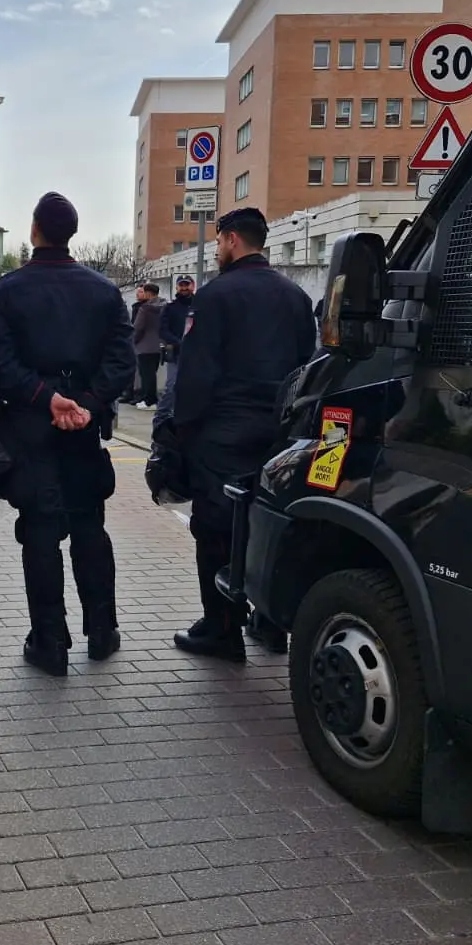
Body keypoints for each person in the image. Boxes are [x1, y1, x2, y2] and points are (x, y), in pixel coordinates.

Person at [0, 192, 136, 676]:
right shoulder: (104, 291)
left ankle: (50, 642)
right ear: (71, 232)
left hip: (30, 428)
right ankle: (102, 632)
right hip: (84, 432)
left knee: (41, 535)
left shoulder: (10, 289)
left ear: (34, 231)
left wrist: (45, 398)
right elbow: (121, 363)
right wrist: (86, 404)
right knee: (90, 526)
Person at [169, 207, 314, 661]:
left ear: (232, 239)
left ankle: (221, 629)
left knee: (217, 529)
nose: (216, 250)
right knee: (271, 525)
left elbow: (195, 376)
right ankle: (270, 624)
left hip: (224, 432)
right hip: (280, 435)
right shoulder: (295, 297)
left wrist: (180, 432)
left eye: (217, 242)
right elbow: (306, 367)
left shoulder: (216, 297)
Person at [131, 283, 165, 409]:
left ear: (148, 293)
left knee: (146, 375)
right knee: (153, 374)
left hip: (144, 346)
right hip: (159, 345)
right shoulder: (164, 306)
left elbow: (138, 328)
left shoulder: (145, 309)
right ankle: (153, 399)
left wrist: (133, 341)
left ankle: (148, 400)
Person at [159, 275, 194, 394]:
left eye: (187, 285)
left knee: (193, 387)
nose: (184, 288)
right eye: (181, 285)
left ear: (192, 286)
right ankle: (163, 413)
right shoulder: (170, 308)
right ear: (176, 287)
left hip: (196, 353)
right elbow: (162, 330)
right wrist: (177, 342)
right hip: (176, 353)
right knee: (171, 386)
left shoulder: (200, 305)